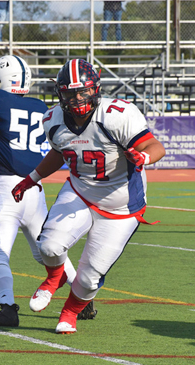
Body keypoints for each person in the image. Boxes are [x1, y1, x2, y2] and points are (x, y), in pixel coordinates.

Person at [12, 59, 165, 334]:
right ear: (60, 94)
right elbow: (60, 152)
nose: (77, 99)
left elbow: (154, 145)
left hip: (121, 206)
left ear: (95, 89)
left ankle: (70, 312)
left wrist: (142, 156)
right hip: (81, 192)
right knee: (48, 247)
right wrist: (31, 178)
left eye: (83, 91)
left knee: (90, 277)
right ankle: (54, 278)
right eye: (70, 94)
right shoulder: (52, 119)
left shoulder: (117, 114)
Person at [0, 55, 77, 326]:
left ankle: (7, 307)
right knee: (47, 249)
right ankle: (82, 297)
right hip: (34, 186)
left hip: (7, 186)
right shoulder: (40, 105)